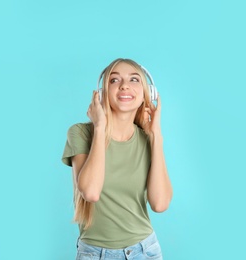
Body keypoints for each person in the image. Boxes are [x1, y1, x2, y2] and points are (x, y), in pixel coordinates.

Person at [62, 58, 173, 260]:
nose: (124, 85)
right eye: (114, 80)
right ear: (102, 94)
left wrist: (156, 136)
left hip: (145, 251)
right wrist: (99, 128)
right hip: (94, 254)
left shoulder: (147, 140)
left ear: (148, 94)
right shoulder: (80, 133)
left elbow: (160, 203)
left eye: (134, 79)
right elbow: (91, 192)